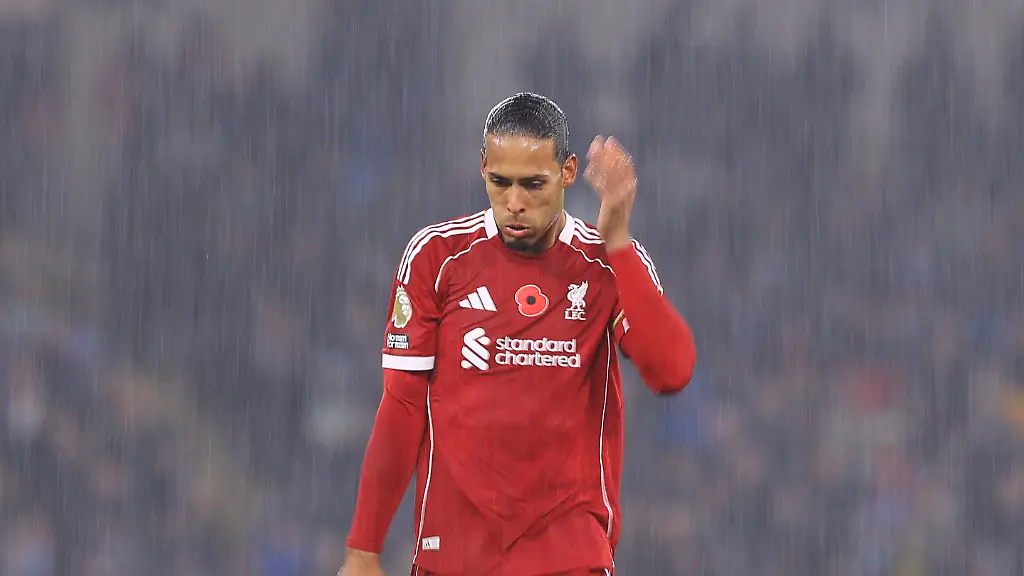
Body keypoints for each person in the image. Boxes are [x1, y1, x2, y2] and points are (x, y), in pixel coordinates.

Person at [340, 93, 697, 576]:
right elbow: (402, 407)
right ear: (483, 167)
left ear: (568, 173)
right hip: (454, 557)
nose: (514, 203)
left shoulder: (603, 265)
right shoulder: (437, 257)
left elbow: (671, 371)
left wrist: (617, 240)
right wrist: (364, 550)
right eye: (499, 182)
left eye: (533, 185)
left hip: (567, 557)